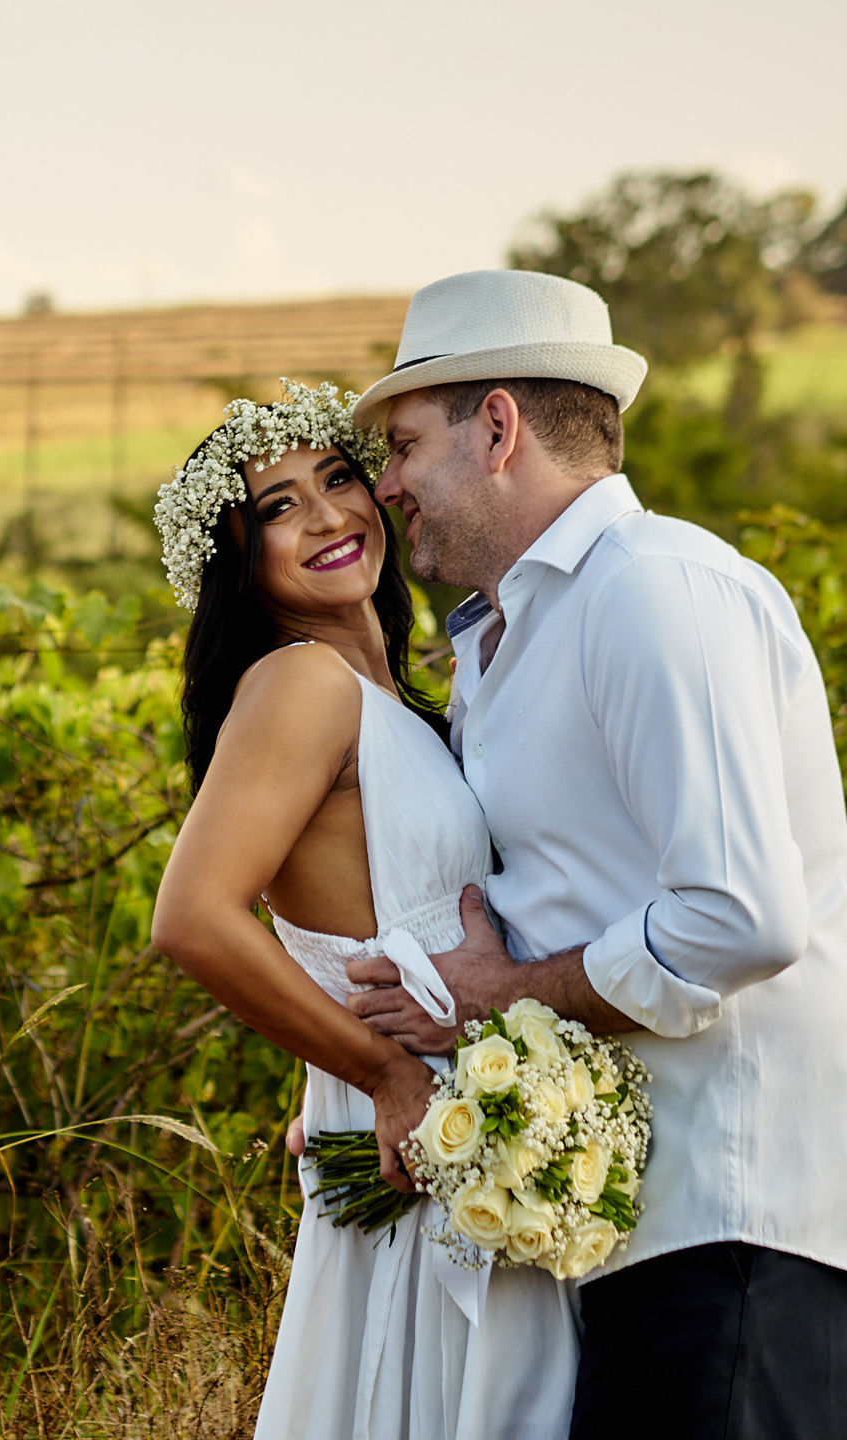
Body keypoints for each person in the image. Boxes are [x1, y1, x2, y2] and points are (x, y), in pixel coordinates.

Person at [343, 268, 847, 1439]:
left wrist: (511, 998)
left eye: (407, 443)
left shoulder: (654, 590)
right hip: (629, 1235)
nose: (390, 485)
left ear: (501, 426)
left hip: (733, 1223)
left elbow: (741, 917)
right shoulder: (509, 641)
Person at [148, 378, 578, 1440]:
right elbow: (193, 919)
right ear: (237, 559)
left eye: (339, 479)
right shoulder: (301, 685)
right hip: (419, 1121)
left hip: (468, 1116)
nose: (332, 515)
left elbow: (355, 916)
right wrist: (376, 1074)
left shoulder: (394, 699)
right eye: (280, 506)